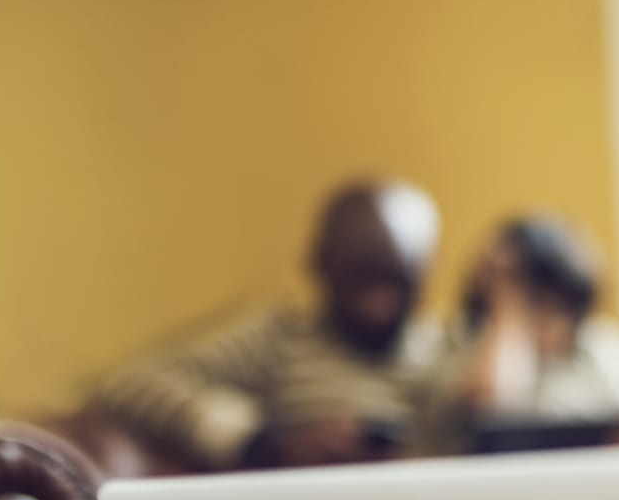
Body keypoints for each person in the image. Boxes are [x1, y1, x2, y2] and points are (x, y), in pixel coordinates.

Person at [90, 179, 444, 470]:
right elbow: (129, 381)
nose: (378, 307)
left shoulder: (447, 346)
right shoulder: (279, 336)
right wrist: (260, 442)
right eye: (361, 280)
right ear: (320, 263)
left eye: (399, 283)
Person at [438, 215, 619, 451]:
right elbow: (493, 407)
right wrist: (508, 304)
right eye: (528, 306)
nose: (542, 323)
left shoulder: (607, 354)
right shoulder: (459, 352)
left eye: (551, 307)